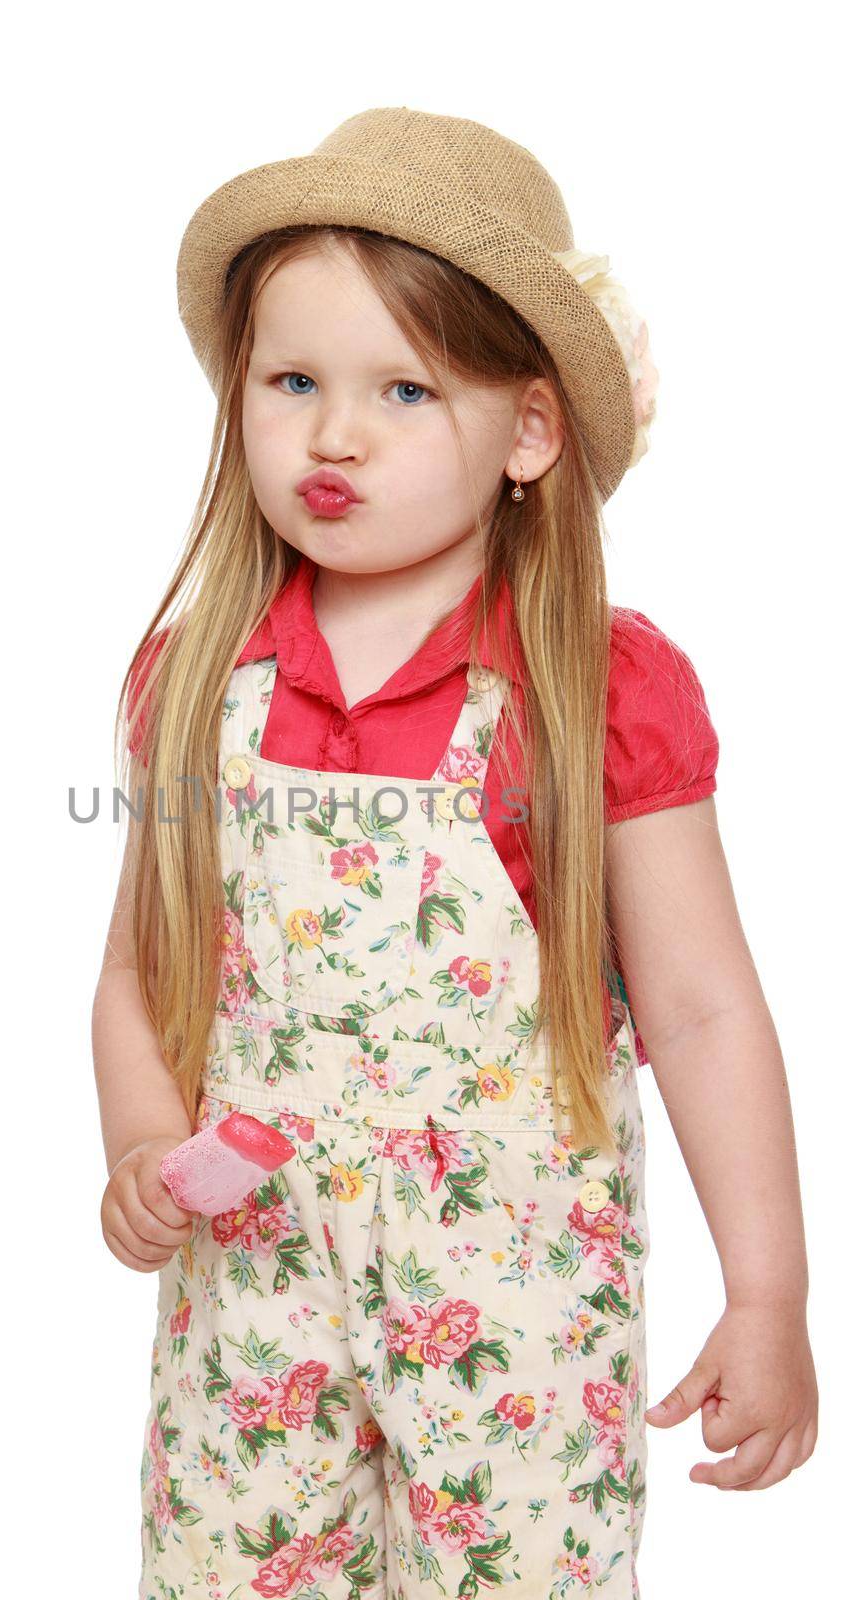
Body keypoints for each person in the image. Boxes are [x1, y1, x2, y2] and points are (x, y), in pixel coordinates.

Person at [91, 108, 817, 1599]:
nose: (333, 433)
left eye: (403, 390)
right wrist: (138, 1143)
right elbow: (140, 967)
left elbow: (696, 1010)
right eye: (292, 381)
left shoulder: (589, 692)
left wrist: (771, 1292)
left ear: (528, 433)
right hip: (256, 1303)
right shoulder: (197, 677)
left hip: (511, 1315)